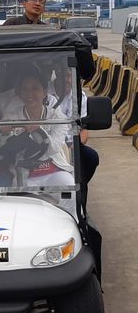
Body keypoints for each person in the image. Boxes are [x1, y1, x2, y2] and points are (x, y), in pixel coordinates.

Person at [0, 68, 74, 188]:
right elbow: (1, 151)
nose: (29, 94)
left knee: (68, 185)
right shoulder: (12, 117)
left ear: (44, 92)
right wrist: (5, 134)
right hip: (25, 173)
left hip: (53, 170)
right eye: (25, 89)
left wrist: (38, 130)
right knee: (23, 196)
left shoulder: (57, 117)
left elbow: (53, 148)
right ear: (20, 93)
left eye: (35, 88)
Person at [52, 67, 100, 209]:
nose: (68, 80)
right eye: (65, 75)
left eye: (71, 76)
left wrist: (75, 145)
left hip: (69, 144)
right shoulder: (45, 93)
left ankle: (79, 210)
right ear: (57, 74)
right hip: (49, 144)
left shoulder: (79, 96)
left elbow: (84, 130)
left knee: (89, 158)